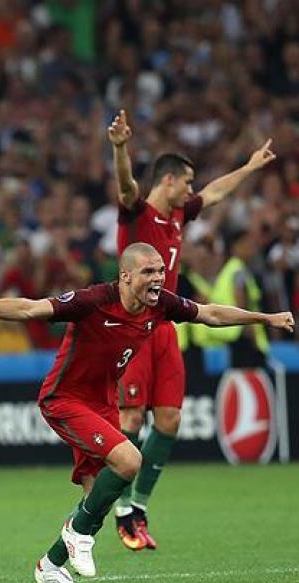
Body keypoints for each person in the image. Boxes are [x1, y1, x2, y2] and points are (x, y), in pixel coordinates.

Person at [0, 243, 293, 583]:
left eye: (160, 270)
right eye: (148, 272)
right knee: (129, 461)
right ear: (125, 276)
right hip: (65, 398)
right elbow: (30, 309)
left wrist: (266, 318)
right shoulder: (93, 301)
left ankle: (49, 565)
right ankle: (75, 534)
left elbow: (211, 314)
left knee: (98, 500)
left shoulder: (160, 305)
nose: (158, 278)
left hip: (103, 401)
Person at [107, 110, 276, 549]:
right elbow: (125, 186)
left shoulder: (181, 215)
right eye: (186, 182)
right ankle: (121, 509)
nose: (191, 189)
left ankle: (139, 507)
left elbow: (216, 193)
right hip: (132, 327)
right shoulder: (137, 212)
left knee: (170, 419)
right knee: (130, 417)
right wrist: (120, 147)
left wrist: (252, 166)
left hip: (166, 327)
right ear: (167, 182)